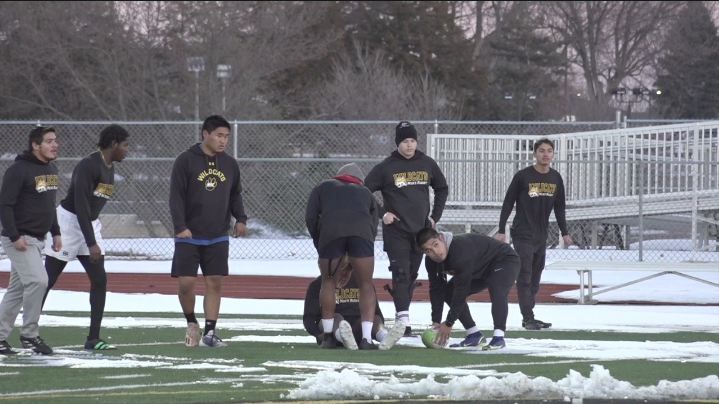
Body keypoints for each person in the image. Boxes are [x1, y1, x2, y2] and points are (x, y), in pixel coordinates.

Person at [42, 124, 129, 351]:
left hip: (89, 224)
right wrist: (91, 243)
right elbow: (80, 206)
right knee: (47, 280)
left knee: (100, 280)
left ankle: (93, 339)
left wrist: (91, 237)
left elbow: (89, 211)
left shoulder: (109, 166)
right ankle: (28, 331)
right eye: (125, 145)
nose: (127, 150)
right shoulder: (88, 165)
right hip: (69, 223)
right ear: (113, 144)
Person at [364, 121, 448, 337]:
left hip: (421, 232)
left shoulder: (426, 162)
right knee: (400, 274)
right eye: (405, 141)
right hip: (397, 231)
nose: (409, 145)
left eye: (412, 140)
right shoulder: (386, 167)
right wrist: (383, 213)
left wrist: (434, 216)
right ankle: (403, 323)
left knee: (410, 276)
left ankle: (403, 318)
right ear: (398, 143)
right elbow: (364, 191)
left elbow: (441, 187)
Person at [170, 115, 247, 348]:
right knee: (186, 283)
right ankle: (191, 322)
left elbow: (236, 194)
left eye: (226, 136)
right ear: (205, 134)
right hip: (189, 234)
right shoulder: (185, 160)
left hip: (218, 234)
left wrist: (240, 219)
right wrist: (180, 226)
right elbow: (176, 196)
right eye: (218, 135)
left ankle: (210, 332)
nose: (223, 141)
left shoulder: (230, 164)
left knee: (214, 282)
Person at [494, 138, 572, 330]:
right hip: (522, 233)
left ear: (553, 154)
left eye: (549, 151)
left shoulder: (555, 178)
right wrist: (501, 229)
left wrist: (565, 232)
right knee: (525, 275)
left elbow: (560, 208)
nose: (546, 154)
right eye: (541, 151)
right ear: (534, 154)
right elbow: (508, 202)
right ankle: (527, 317)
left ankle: (530, 316)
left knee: (536, 277)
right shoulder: (523, 176)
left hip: (541, 236)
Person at [0, 126, 61, 355]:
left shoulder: (51, 169)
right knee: (38, 281)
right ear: (35, 145)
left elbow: (48, 204)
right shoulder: (18, 170)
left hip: (38, 240)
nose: (54, 145)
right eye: (48, 141)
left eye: (55, 140)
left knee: (17, 290)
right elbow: (4, 205)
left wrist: (55, 232)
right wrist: (15, 236)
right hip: (20, 239)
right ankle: (29, 335)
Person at [305, 163, 379, 349]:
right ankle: (367, 339)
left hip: (331, 233)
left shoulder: (322, 187)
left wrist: (320, 243)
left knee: (328, 281)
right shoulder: (366, 193)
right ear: (360, 181)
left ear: (336, 176)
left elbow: (311, 218)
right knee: (366, 285)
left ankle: (329, 336)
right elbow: (373, 225)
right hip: (362, 233)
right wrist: (354, 262)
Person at [416, 227, 520, 350]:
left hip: (504, 260)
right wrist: (436, 321)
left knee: (497, 290)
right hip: (478, 269)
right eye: (429, 250)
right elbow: (436, 288)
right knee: (448, 292)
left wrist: (449, 322)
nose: (436, 252)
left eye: (436, 245)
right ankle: (474, 335)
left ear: (441, 237)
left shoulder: (459, 251)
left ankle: (498, 338)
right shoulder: (432, 262)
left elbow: (461, 291)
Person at [302, 255, 405, 350]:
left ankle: (384, 336)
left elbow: (376, 311)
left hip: (359, 328)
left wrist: (377, 323)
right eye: (320, 264)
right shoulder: (317, 285)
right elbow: (309, 317)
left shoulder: (362, 283)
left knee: (375, 318)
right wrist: (318, 335)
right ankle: (344, 338)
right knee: (335, 318)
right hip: (333, 331)